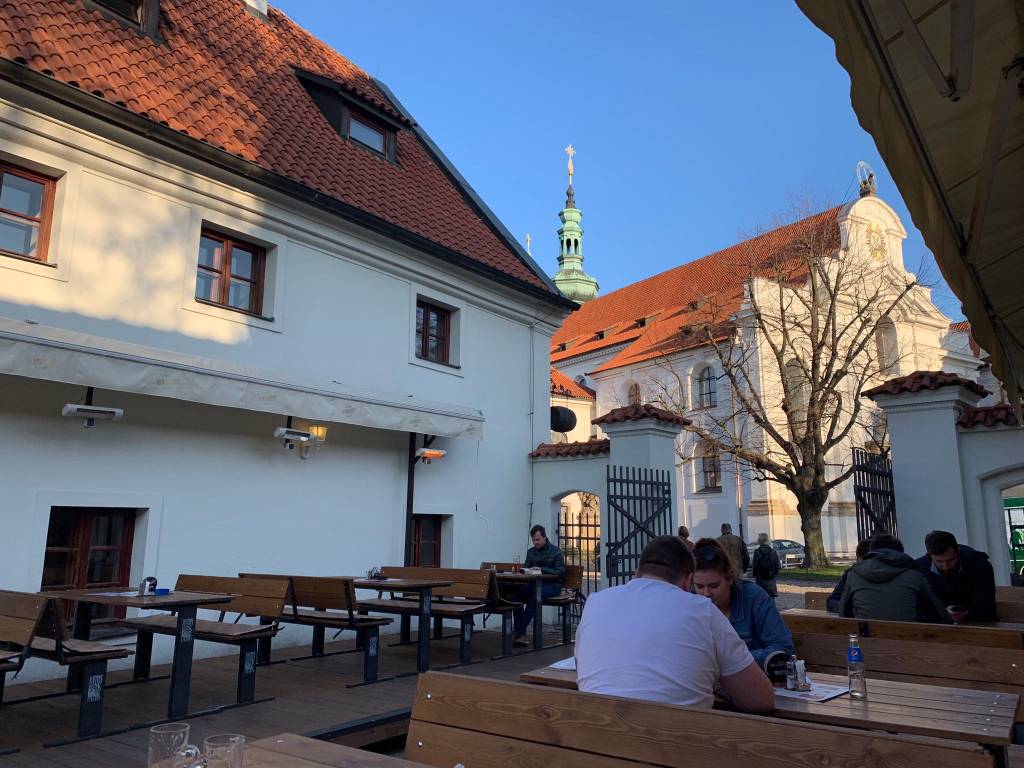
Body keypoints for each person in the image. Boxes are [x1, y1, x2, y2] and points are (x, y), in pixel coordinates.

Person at [575, 535, 775, 713]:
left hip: (594, 740)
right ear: (688, 582)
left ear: (637, 573)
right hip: (676, 747)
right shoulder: (702, 611)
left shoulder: (595, 602)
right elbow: (760, 699)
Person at [692, 537, 795, 668]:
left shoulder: (754, 598)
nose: (706, 594)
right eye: (699, 586)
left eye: (714, 586)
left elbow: (783, 651)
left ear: (729, 578)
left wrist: (730, 659)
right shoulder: (690, 601)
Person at [837, 533, 949, 623]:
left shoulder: (854, 576)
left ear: (872, 553)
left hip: (867, 642)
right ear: (899, 554)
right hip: (910, 642)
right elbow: (942, 617)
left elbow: (843, 614)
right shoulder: (915, 577)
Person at [915, 530, 998, 623]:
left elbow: (986, 607)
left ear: (957, 552)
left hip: (980, 624)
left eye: (950, 560)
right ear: (930, 556)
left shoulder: (980, 566)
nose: (945, 567)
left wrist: (963, 612)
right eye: (939, 562)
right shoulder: (919, 569)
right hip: (937, 626)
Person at [511, 525, 565, 646]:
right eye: (534, 540)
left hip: (552, 586)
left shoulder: (555, 552)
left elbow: (560, 572)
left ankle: (518, 631)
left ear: (544, 537)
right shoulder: (531, 552)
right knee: (516, 597)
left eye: (538, 539)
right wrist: (524, 570)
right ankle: (522, 634)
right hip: (533, 584)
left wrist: (542, 569)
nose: (535, 542)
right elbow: (526, 568)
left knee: (535, 597)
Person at [826, 538, 870, 613]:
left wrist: (847, 608)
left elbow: (831, 601)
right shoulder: (851, 574)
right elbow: (831, 601)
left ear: (859, 558)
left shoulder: (851, 574)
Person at [751, 533, 781, 598]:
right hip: (770, 577)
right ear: (767, 540)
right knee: (771, 598)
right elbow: (777, 566)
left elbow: (755, 566)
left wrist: (754, 575)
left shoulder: (757, 552)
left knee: (761, 598)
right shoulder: (773, 552)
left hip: (760, 578)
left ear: (759, 541)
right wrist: (773, 574)